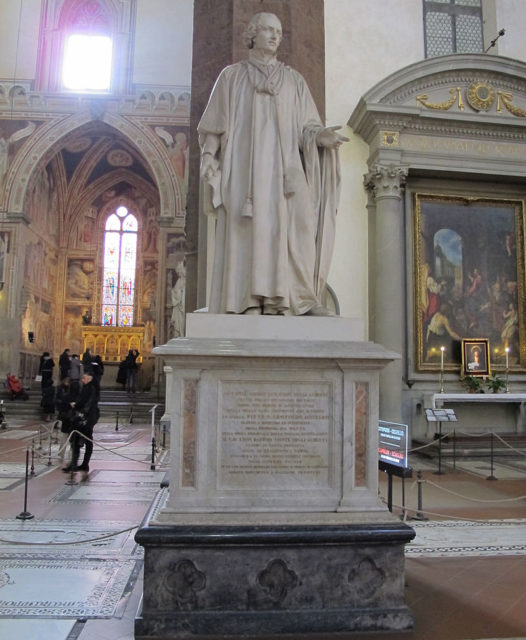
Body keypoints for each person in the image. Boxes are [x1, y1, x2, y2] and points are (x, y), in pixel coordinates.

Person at [198, 12, 348, 316]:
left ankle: (294, 300)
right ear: (252, 34)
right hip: (244, 169)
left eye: (279, 32)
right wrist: (208, 157)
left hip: (286, 170)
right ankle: (247, 301)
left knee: (297, 228)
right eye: (268, 30)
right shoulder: (231, 76)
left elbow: (308, 124)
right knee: (249, 229)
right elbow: (214, 126)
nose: (275, 36)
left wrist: (320, 138)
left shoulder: (293, 80)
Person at [64, 368, 99, 480]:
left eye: (84, 378)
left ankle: (84, 464)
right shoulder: (87, 388)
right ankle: (75, 464)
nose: (82, 380)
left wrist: (77, 405)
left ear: (89, 378)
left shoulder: (91, 388)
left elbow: (87, 403)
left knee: (87, 440)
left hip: (86, 418)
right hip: (83, 417)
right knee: (75, 439)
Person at [55, 379, 74, 462]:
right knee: (66, 436)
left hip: (69, 418)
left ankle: (68, 453)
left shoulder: (70, 395)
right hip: (68, 418)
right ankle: (66, 453)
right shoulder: (64, 392)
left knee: (68, 436)